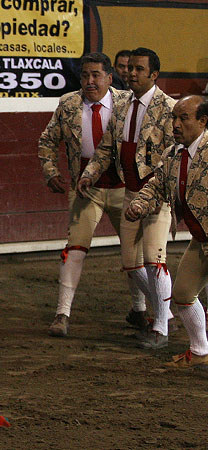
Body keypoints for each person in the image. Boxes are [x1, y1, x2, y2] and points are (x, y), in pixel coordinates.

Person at [79, 47, 177, 349]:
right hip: (130, 190)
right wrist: (90, 173)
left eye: (138, 69)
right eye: (129, 68)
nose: (130, 73)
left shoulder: (169, 107)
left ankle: (161, 326)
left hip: (156, 195)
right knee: (132, 264)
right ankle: (165, 311)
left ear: (154, 74)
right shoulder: (122, 104)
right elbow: (108, 147)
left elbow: (171, 158)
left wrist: (149, 197)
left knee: (154, 259)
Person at [38, 52, 142, 337]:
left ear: (110, 77)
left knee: (133, 252)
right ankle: (62, 313)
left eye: (96, 75)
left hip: (125, 188)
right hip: (87, 189)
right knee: (75, 247)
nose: (89, 81)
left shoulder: (128, 103)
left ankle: (140, 309)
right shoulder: (68, 103)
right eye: (85, 75)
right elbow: (48, 140)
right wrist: (51, 171)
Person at [125, 95, 208, 367]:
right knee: (183, 294)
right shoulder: (174, 153)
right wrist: (139, 204)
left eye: (184, 118)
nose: (175, 124)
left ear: (203, 121)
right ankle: (199, 352)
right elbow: (156, 185)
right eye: (174, 117)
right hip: (202, 239)